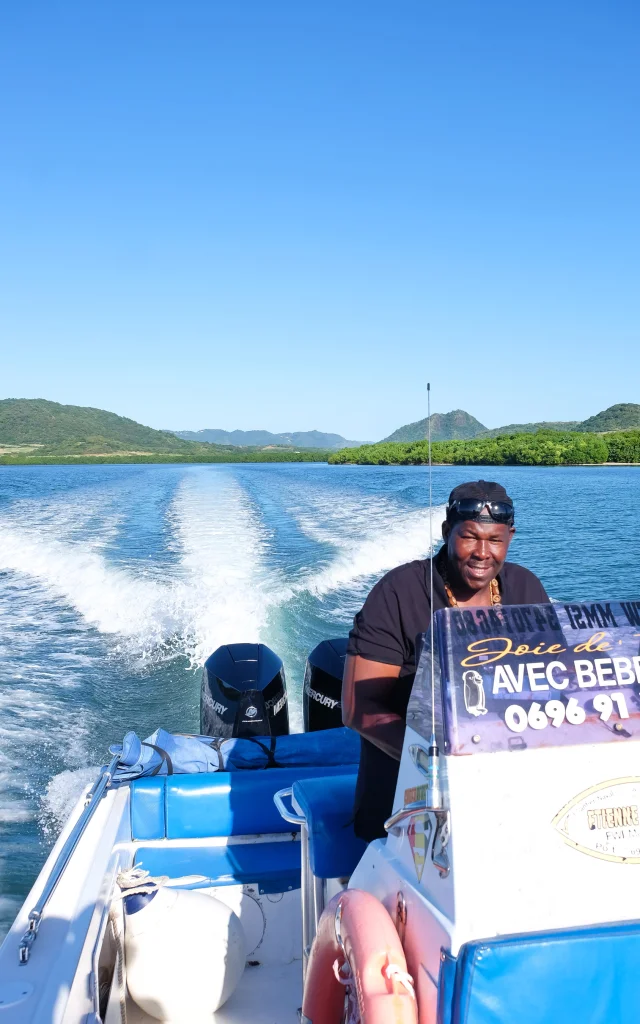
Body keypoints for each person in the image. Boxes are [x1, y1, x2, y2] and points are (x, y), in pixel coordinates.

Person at [342, 479, 549, 842]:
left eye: (495, 540)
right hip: (405, 802)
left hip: (506, 792)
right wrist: (439, 762)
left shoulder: (525, 588)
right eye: (469, 536)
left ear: (510, 538)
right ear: (446, 532)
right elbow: (358, 707)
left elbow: (552, 681)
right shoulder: (400, 593)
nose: (482, 552)